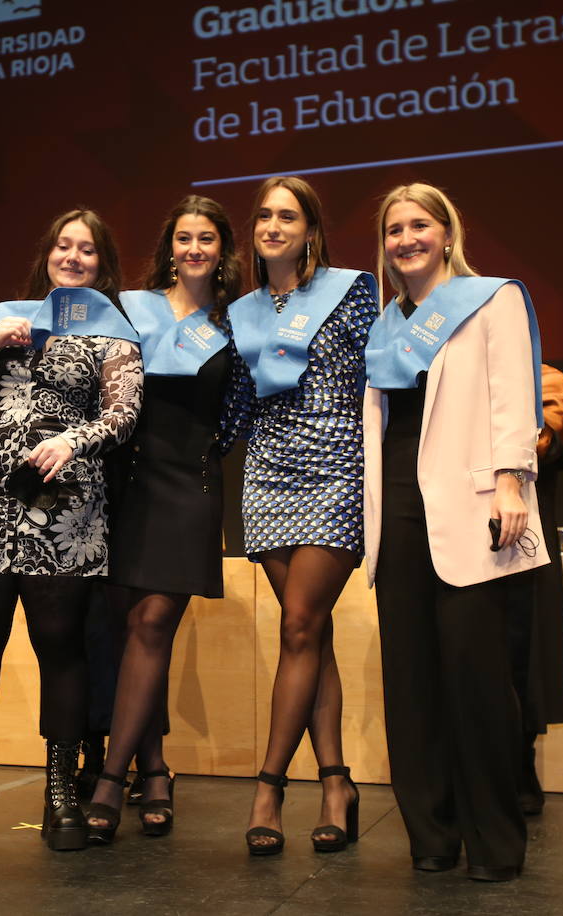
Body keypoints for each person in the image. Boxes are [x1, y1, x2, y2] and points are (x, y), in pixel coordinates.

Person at [0, 209, 142, 852]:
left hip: (66, 508)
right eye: (64, 245)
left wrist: (77, 438)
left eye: (88, 250)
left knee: (61, 646)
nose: (73, 257)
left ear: (103, 265)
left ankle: (61, 795)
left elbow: (125, 415)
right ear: (47, 253)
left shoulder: (113, 333)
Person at [363, 181, 549, 881]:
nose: (405, 239)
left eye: (418, 225)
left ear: (446, 233)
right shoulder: (385, 324)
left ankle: (495, 843)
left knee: (477, 683)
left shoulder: (491, 297)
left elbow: (514, 390)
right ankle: (431, 838)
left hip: (475, 508)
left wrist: (512, 480)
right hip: (400, 512)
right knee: (411, 686)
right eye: (393, 230)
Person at [223, 176, 378, 855]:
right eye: (263, 215)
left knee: (297, 626)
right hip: (267, 473)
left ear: (311, 230)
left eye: (288, 216)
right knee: (310, 636)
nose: (273, 225)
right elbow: (235, 406)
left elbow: (384, 378)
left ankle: (268, 788)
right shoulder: (242, 311)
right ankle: (337, 781)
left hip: (337, 463)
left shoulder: (354, 289)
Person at [84, 194, 242, 842]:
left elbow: (236, 412)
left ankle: (110, 781)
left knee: (153, 621)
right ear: (169, 246)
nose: (195, 248)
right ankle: (154, 767)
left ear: (222, 248)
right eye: (184, 237)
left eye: (206, 238)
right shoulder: (133, 307)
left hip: (190, 485)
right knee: (128, 630)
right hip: (128, 481)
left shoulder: (236, 323)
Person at [504, 365, 563, 816]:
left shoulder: (545, 380)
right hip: (453, 533)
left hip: (526, 545)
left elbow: (548, 440)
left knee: (526, 657)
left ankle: (520, 763)